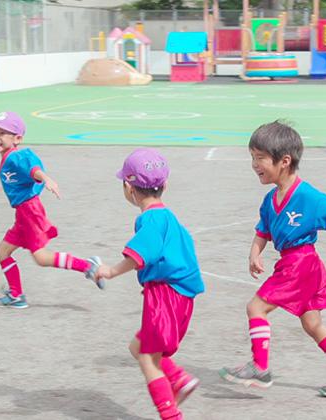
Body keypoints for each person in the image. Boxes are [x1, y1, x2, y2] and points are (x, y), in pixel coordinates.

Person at [218, 121, 326, 398]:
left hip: (300, 264)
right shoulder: (270, 200)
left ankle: (260, 367)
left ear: (284, 161)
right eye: (252, 158)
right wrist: (255, 252)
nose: (254, 164)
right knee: (312, 324)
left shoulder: (307, 196)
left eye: (260, 158)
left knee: (256, 308)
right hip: (298, 265)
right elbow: (262, 230)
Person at [93, 148, 205, 420]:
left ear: (128, 188)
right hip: (180, 296)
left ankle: (170, 415)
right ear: (164, 185)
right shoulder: (168, 216)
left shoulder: (151, 220)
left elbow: (140, 254)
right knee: (137, 347)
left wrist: (110, 271)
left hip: (164, 296)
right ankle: (178, 379)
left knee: (147, 359)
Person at [0, 111, 101, 309]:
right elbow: (6, 170)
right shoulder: (8, 157)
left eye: (2, 133)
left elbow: (32, 168)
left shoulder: (17, 156)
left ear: (17, 138)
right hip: (23, 213)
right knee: (2, 252)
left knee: (42, 258)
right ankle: (16, 295)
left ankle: (88, 266)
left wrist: (46, 178)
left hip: (29, 212)